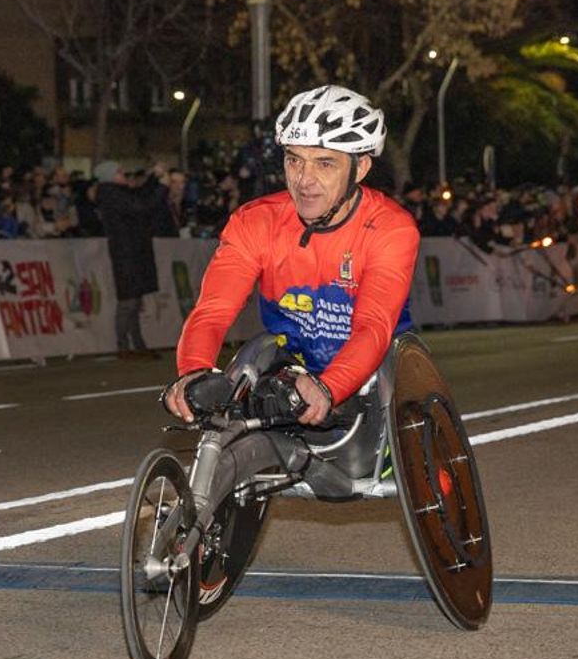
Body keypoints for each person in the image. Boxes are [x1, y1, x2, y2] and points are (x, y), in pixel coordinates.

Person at [162, 84, 416, 428]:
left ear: (360, 169)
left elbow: (373, 327)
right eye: (294, 160)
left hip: (374, 359)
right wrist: (193, 371)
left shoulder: (391, 228)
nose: (304, 180)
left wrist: (330, 386)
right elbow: (212, 312)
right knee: (244, 366)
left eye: (325, 163)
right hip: (290, 359)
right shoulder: (254, 222)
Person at [94, 160, 163, 359]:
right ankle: (124, 346)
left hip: (131, 251)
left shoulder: (114, 193)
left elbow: (139, 196)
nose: (123, 174)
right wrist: (161, 187)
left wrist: (153, 179)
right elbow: (141, 206)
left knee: (133, 300)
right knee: (129, 301)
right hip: (127, 253)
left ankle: (136, 344)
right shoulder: (112, 194)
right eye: (119, 172)